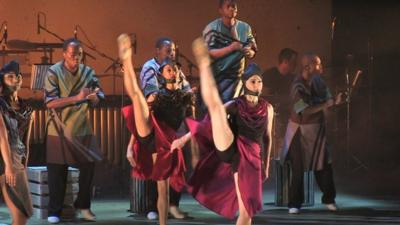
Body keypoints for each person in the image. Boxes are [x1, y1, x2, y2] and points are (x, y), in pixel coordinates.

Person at [172, 38, 273, 225]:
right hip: (231, 148)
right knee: (217, 108)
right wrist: (184, 139)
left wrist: (266, 166)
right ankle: (204, 64)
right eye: (253, 81)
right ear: (245, 83)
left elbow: (267, 138)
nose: (257, 85)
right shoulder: (236, 104)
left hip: (252, 159)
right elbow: (206, 121)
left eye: (259, 81)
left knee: (246, 212)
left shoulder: (268, 108)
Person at [119, 34, 193, 225]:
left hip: (168, 141)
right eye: (169, 70)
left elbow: (194, 123)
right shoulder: (156, 92)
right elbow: (142, 115)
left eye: (175, 69)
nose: (174, 72)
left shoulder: (184, 94)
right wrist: (130, 146)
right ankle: (126, 62)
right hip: (152, 134)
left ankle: (164, 219)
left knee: (164, 189)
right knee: (137, 98)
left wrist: (186, 141)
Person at [44, 38, 104, 223]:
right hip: (59, 128)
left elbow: (99, 92)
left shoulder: (88, 72)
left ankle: (84, 207)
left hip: (82, 127)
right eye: (72, 55)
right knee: (57, 170)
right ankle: (55, 210)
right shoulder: (53, 72)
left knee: (88, 167)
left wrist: (95, 98)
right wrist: (77, 98)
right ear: (64, 54)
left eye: (79, 55)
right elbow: (50, 102)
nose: (76, 58)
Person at [279, 53, 342, 214]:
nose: (321, 67)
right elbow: (303, 111)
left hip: (317, 131)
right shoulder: (297, 86)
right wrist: (326, 105)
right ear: (308, 67)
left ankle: (329, 199)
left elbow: (328, 102)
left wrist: (335, 101)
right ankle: (294, 203)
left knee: (324, 166)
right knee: (298, 168)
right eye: (318, 64)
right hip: (299, 131)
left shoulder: (319, 82)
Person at [201, 0, 257, 109]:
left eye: (234, 6)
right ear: (220, 10)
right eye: (228, 6)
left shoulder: (245, 28)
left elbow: (253, 49)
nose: (232, 9)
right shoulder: (212, 28)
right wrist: (231, 48)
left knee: (235, 111)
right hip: (217, 78)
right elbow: (209, 53)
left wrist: (249, 52)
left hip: (237, 78)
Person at [0, 61, 34, 225]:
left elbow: (26, 139)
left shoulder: (27, 108)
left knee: (24, 215)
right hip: (3, 161)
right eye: (10, 77)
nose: (15, 79)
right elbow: (2, 137)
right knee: (20, 215)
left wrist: (24, 164)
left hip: (17, 160)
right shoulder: (1, 105)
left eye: (17, 76)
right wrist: (9, 166)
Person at [262, 48, 297, 156]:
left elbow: (299, 101)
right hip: (272, 119)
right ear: (285, 62)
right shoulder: (269, 75)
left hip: (290, 119)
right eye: (293, 62)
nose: (295, 65)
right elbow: (264, 98)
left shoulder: (294, 79)